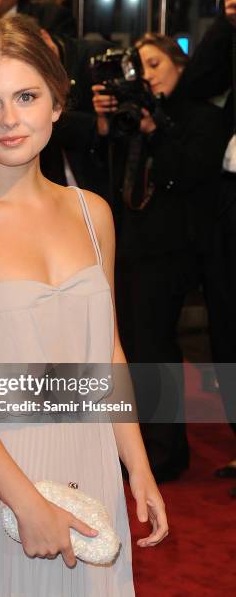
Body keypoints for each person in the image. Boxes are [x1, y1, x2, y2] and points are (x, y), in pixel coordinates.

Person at [0, 15, 167, 596]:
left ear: (57, 102)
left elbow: (105, 352)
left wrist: (138, 466)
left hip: (89, 463)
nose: (9, 119)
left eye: (26, 96)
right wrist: (27, 503)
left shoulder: (93, 213)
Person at [92, 34, 226, 482]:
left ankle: (165, 453)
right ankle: (139, 446)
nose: (146, 74)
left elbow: (189, 174)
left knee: (154, 347)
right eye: (140, 66)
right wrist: (110, 126)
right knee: (128, 345)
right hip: (131, 243)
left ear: (181, 66)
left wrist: (155, 131)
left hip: (174, 249)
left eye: (154, 64)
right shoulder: (134, 116)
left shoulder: (204, 117)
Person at [182, 0, 236, 491]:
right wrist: (227, 23)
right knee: (226, 326)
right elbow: (194, 85)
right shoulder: (230, 37)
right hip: (226, 198)